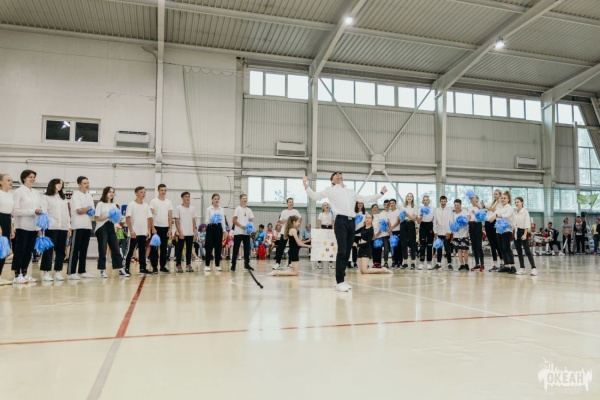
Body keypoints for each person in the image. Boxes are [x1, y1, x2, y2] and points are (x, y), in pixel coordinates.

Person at [304, 172, 385, 292]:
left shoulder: (350, 191)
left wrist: (381, 193)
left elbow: (365, 199)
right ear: (332, 180)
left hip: (351, 221)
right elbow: (315, 196)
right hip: (340, 220)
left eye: (340, 173)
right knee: (342, 250)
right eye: (335, 174)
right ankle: (339, 281)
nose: (338, 174)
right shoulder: (330, 190)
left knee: (347, 251)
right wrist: (305, 185)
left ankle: (342, 279)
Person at [12, 169, 43, 284]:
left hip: (33, 227)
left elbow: (39, 209)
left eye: (34, 177)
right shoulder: (18, 192)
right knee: (20, 250)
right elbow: (15, 211)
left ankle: (24, 273)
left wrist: (39, 227)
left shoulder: (36, 193)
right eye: (30, 177)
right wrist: (32, 212)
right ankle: (17, 275)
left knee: (29, 251)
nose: (32, 179)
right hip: (22, 226)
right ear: (24, 178)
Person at [40, 179, 70, 282]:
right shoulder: (45, 197)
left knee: (61, 250)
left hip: (63, 227)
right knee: (48, 250)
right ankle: (46, 272)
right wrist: (43, 227)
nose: (60, 185)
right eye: (58, 183)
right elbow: (44, 212)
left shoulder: (63, 198)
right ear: (53, 184)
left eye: (62, 183)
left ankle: (58, 271)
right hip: (51, 226)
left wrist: (69, 226)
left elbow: (66, 213)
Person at [95, 186, 127, 278]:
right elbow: (96, 218)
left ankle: (120, 268)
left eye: (113, 192)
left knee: (116, 248)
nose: (111, 193)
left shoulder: (114, 205)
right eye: (110, 192)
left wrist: (117, 224)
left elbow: (116, 218)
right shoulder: (100, 204)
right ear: (105, 193)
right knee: (103, 249)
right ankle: (102, 270)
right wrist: (108, 216)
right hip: (101, 227)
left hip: (111, 227)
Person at [68, 176, 95, 280]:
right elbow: (79, 211)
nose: (87, 185)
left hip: (87, 225)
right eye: (84, 183)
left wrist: (88, 209)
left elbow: (92, 211)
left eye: (88, 183)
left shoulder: (89, 196)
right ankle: (71, 272)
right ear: (79, 185)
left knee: (84, 249)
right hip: (78, 225)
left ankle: (82, 270)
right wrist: (88, 208)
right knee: (75, 249)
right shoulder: (76, 195)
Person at [125, 186, 153, 275]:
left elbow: (149, 218)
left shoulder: (146, 206)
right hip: (134, 233)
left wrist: (148, 230)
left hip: (143, 232)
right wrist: (131, 231)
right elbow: (128, 218)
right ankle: (126, 268)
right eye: (141, 192)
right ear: (136, 193)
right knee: (130, 251)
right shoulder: (131, 205)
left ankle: (142, 268)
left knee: (142, 251)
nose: (143, 194)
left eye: (144, 192)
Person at [149, 184, 173, 274]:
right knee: (154, 248)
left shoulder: (169, 202)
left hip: (165, 228)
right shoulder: (153, 201)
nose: (163, 192)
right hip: (156, 227)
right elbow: (150, 216)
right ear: (158, 190)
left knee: (163, 248)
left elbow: (170, 217)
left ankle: (162, 266)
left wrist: (170, 229)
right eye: (162, 190)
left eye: (165, 190)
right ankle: (154, 267)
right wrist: (152, 228)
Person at [273, 198, 301, 270]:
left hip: (293, 232)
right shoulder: (284, 212)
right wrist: (285, 220)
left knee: (292, 248)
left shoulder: (296, 211)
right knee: (281, 247)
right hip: (284, 231)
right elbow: (279, 222)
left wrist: (297, 226)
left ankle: (290, 263)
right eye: (289, 202)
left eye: (292, 202)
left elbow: (300, 219)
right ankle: (277, 263)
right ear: (287, 203)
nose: (291, 203)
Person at [492, 191, 515, 274]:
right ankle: (506, 265)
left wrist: (498, 215)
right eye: (501, 198)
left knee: (507, 248)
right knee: (501, 248)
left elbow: (507, 215)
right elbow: (493, 215)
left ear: (508, 199)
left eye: (504, 198)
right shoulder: (499, 207)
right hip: (499, 230)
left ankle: (512, 266)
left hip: (507, 230)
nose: (503, 199)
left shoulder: (510, 208)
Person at [174, 191, 197, 273]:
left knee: (189, 250)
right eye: (185, 196)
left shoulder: (192, 208)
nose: (187, 198)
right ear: (182, 198)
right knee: (179, 250)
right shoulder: (178, 208)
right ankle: (178, 265)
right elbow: (177, 221)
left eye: (188, 196)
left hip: (190, 233)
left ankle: (188, 264)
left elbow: (193, 220)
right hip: (181, 233)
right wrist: (179, 232)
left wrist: (194, 231)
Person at [513, 196, 537, 276]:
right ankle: (522, 268)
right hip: (516, 232)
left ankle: (534, 268)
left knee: (527, 250)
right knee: (519, 251)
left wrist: (525, 234)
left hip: (523, 231)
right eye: (515, 202)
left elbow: (527, 223)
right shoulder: (515, 213)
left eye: (518, 202)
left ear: (522, 202)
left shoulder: (525, 212)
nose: (516, 203)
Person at [231, 193, 254, 272]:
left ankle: (247, 264)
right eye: (243, 198)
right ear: (240, 199)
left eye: (246, 198)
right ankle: (233, 265)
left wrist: (249, 226)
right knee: (236, 248)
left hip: (246, 232)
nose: (245, 200)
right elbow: (234, 220)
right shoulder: (237, 209)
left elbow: (251, 220)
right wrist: (241, 226)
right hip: (238, 232)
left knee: (247, 248)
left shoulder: (249, 210)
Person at [204, 193, 227, 272]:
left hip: (218, 228)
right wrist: (212, 219)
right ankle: (207, 265)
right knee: (209, 247)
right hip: (210, 228)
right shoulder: (208, 209)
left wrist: (224, 230)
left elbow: (223, 221)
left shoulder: (221, 209)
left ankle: (217, 265)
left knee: (218, 247)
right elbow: (206, 221)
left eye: (218, 199)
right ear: (212, 199)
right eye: (215, 199)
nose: (216, 200)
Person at [483, 189, 504, 271]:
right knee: (491, 244)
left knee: (497, 243)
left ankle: (502, 262)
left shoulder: (501, 203)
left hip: (495, 222)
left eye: (496, 194)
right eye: (494, 194)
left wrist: (486, 207)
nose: (495, 195)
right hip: (488, 222)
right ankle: (495, 264)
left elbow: (495, 211)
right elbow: (485, 209)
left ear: (500, 195)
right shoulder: (491, 203)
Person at [0, 173, 15, 285]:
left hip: (7, 220)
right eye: (8, 180)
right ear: (1, 182)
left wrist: (11, 228)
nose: (11, 182)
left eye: (11, 180)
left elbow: (10, 213)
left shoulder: (10, 195)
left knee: (3, 251)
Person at [433, 195, 453, 270]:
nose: (443, 203)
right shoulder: (436, 210)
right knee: (439, 248)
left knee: (448, 249)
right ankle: (438, 263)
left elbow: (451, 222)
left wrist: (449, 232)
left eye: (444, 201)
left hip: (446, 232)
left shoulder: (449, 210)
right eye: (442, 201)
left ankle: (449, 264)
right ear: (440, 202)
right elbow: (434, 221)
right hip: (438, 232)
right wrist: (435, 232)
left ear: (446, 202)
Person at [400, 193, 418, 269]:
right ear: (406, 198)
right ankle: (405, 262)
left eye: (411, 196)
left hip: (411, 224)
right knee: (404, 243)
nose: (409, 197)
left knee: (412, 243)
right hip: (403, 224)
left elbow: (414, 218)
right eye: (408, 196)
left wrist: (407, 215)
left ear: (412, 198)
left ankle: (413, 262)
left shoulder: (415, 207)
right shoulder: (402, 207)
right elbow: (400, 217)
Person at [452, 199, 470, 271]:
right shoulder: (453, 214)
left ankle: (466, 264)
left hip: (464, 234)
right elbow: (452, 224)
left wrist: (464, 222)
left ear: (460, 205)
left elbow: (468, 219)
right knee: (459, 250)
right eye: (455, 205)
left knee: (465, 250)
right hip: (456, 234)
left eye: (458, 205)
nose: (456, 206)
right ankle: (461, 264)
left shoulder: (465, 212)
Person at [468, 195, 485, 272]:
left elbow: (481, 210)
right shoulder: (469, 208)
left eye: (474, 198)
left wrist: (476, 203)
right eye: (471, 198)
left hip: (478, 225)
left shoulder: (479, 207)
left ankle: (482, 264)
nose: (472, 199)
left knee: (479, 246)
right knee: (474, 246)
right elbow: (469, 218)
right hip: (471, 225)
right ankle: (477, 264)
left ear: (477, 199)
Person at [417, 195, 434, 270]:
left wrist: (434, 230)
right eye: (424, 200)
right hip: (422, 226)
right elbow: (418, 222)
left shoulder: (433, 209)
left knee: (430, 245)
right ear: (422, 201)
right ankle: (421, 262)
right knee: (422, 245)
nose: (425, 201)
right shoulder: (420, 209)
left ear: (429, 201)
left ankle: (429, 262)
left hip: (430, 226)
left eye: (427, 200)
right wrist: (420, 217)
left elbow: (434, 219)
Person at [317, 202, 334, 269]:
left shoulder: (331, 214)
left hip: (329, 228)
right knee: (322, 246)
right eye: (325, 205)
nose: (327, 206)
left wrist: (333, 230)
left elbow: (333, 223)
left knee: (330, 246)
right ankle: (319, 263)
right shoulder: (321, 214)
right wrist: (320, 230)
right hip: (323, 228)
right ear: (323, 207)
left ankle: (331, 263)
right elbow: (319, 223)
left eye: (327, 205)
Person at [351, 201, 366, 268]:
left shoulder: (365, 213)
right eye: (358, 203)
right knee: (354, 248)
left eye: (361, 203)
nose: (360, 204)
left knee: (363, 248)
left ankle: (364, 262)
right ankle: (354, 262)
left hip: (363, 233)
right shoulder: (353, 213)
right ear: (356, 204)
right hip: (355, 233)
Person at [388, 199, 401, 268]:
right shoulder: (389, 212)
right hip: (392, 232)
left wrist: (391, 228)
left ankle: (399, 262)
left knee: (398, 247)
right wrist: (390, 230)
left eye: (393, 203)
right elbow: (389, 222)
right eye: (390, 203)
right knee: (394, 247)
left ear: (395, 204)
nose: (391, 204)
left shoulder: (398, 211)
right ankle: (395, 262)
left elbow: (398, 222)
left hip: (398, 231)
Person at [378, 199, 391, 268]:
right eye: (385, 204)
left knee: (393, 248)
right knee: (386, 247)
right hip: (384, 234)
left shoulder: (392, 212)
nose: (386, 206)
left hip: (392, 233)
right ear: (383, 205)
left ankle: (395, 261)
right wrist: (386, 223)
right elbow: (380, 223)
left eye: (388, 204)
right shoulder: (381, 213)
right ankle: (385, 262)